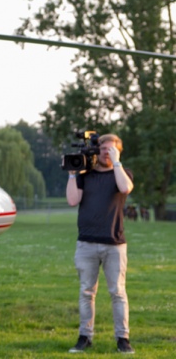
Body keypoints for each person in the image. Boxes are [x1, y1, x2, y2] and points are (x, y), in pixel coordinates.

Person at [66, 133, 134, 354]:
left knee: (117, 292)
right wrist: (72, 175)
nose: (106, 152)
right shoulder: (86, 176)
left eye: (111, 149)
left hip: (114, 244)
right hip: (86, 243)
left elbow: (125, 188)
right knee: (86, 292)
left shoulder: (121, 173)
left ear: (118, 151)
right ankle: (85, 337)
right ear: (97, 150)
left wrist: (116, 162)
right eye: (103, 148)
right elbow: (72, 200)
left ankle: (123, 339)